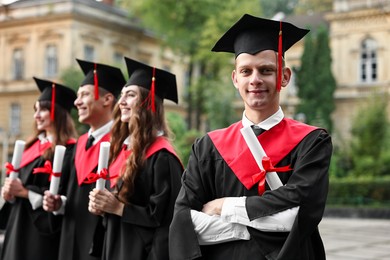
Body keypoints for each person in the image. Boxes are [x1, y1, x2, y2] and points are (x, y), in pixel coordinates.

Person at [169, 14, 333, 260]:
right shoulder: (208, 147)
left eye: (266, 70)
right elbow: (183, 219)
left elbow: (302, 213)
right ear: (236, 79)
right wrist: (249, 226)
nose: (255, 79)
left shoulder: (311, 142)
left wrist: (224, 207)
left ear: (285, 77)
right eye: (246, 71)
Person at [88, 57, 183, 260]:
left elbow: (167, 220)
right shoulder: (123, 150)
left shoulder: (162, 157)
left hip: (140, 252)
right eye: (121, 95)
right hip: (114, 244)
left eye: (130, 95)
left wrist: (118, 207)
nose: (120, 102)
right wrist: (102, 206)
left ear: (147, 101)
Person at [42, 59, 126, 260]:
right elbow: (69, 198)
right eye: (77, 96)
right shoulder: (77, 145)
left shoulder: (122, 145)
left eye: (84, 95)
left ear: (107, 99)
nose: (76, 102)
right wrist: (58, 203)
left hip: (101, 246)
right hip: (68, 242)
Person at [0, 77, 78, 260]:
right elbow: (17, 189)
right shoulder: (30, 147)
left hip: (41, 235)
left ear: (58, 112)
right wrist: (9, 194)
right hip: (17, 224)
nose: (36, 115)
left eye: (42, 109)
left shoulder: (69, 151)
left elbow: (64, 198)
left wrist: (26, 192)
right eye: (35, 109)